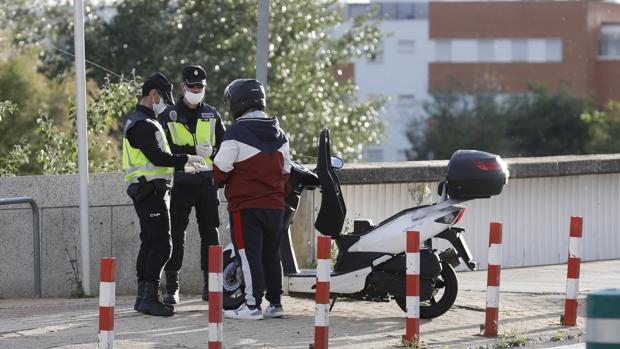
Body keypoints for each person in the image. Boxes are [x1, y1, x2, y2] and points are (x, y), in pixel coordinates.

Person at [122, 72, 203, 316]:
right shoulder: (142, 124)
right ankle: (149, 297)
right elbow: (157, 157)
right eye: (163, 98)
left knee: (149, 243)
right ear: (153, 94)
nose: (164, 104)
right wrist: (187, 158)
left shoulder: (143, 121)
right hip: (150, 191)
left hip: (150, 190)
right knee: (162, 245)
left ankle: (143, 297)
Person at [213, 79, 292, 320]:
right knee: (271, 254)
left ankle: (251, 305)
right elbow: (287, 171)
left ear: (238, 102)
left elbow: (219, 170)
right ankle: (275, 303)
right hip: (275, 206)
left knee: (248, 255)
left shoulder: (236, 132)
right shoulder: (279, 133)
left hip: (245, 206)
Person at [158, 65, 226, 304]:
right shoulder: (168, 116)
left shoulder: (212, 114)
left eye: (200, 87)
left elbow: (226, 148)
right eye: (192, 86)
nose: (196, 90)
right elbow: (163, 151)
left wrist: (214, 151)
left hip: (207, 182)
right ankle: (172, 286)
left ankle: (211, 284)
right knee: (176, 234)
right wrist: (191, 152)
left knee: (211, 233)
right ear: (183, 86)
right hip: (181, 182)